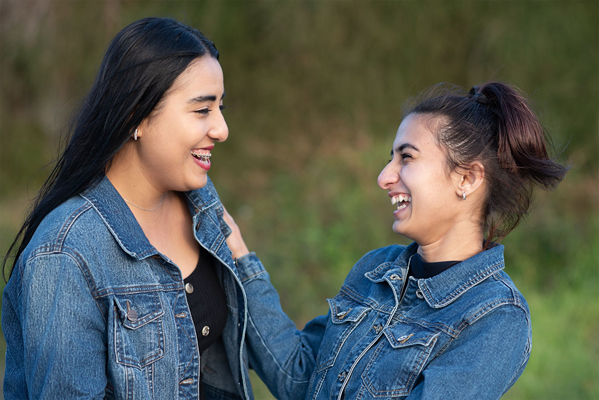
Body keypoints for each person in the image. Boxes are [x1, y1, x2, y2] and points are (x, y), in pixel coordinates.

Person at [223, 82, 568, 399]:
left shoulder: (495, 316)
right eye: (390, 158)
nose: (384, 176)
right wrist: (239, 256)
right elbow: (299, 378)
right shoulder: (376, 269)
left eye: (406, 157)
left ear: (467, 177)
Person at [3, 17, 258, 400]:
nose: (221, 129)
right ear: (136, 116)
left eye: (221, 107)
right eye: (202, 110)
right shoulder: (66, 253)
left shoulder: (201, 204)